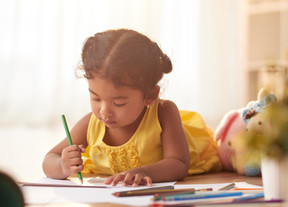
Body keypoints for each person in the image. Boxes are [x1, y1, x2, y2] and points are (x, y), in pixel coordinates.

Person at [43, 28, 222, 187]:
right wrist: (62, 166)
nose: (104, 111)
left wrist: (146, 172)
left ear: (150, 96)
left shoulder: (163, 113)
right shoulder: (90, 124)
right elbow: (49, 159)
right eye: (95, 98)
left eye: (118, 103)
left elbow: (178, 164)